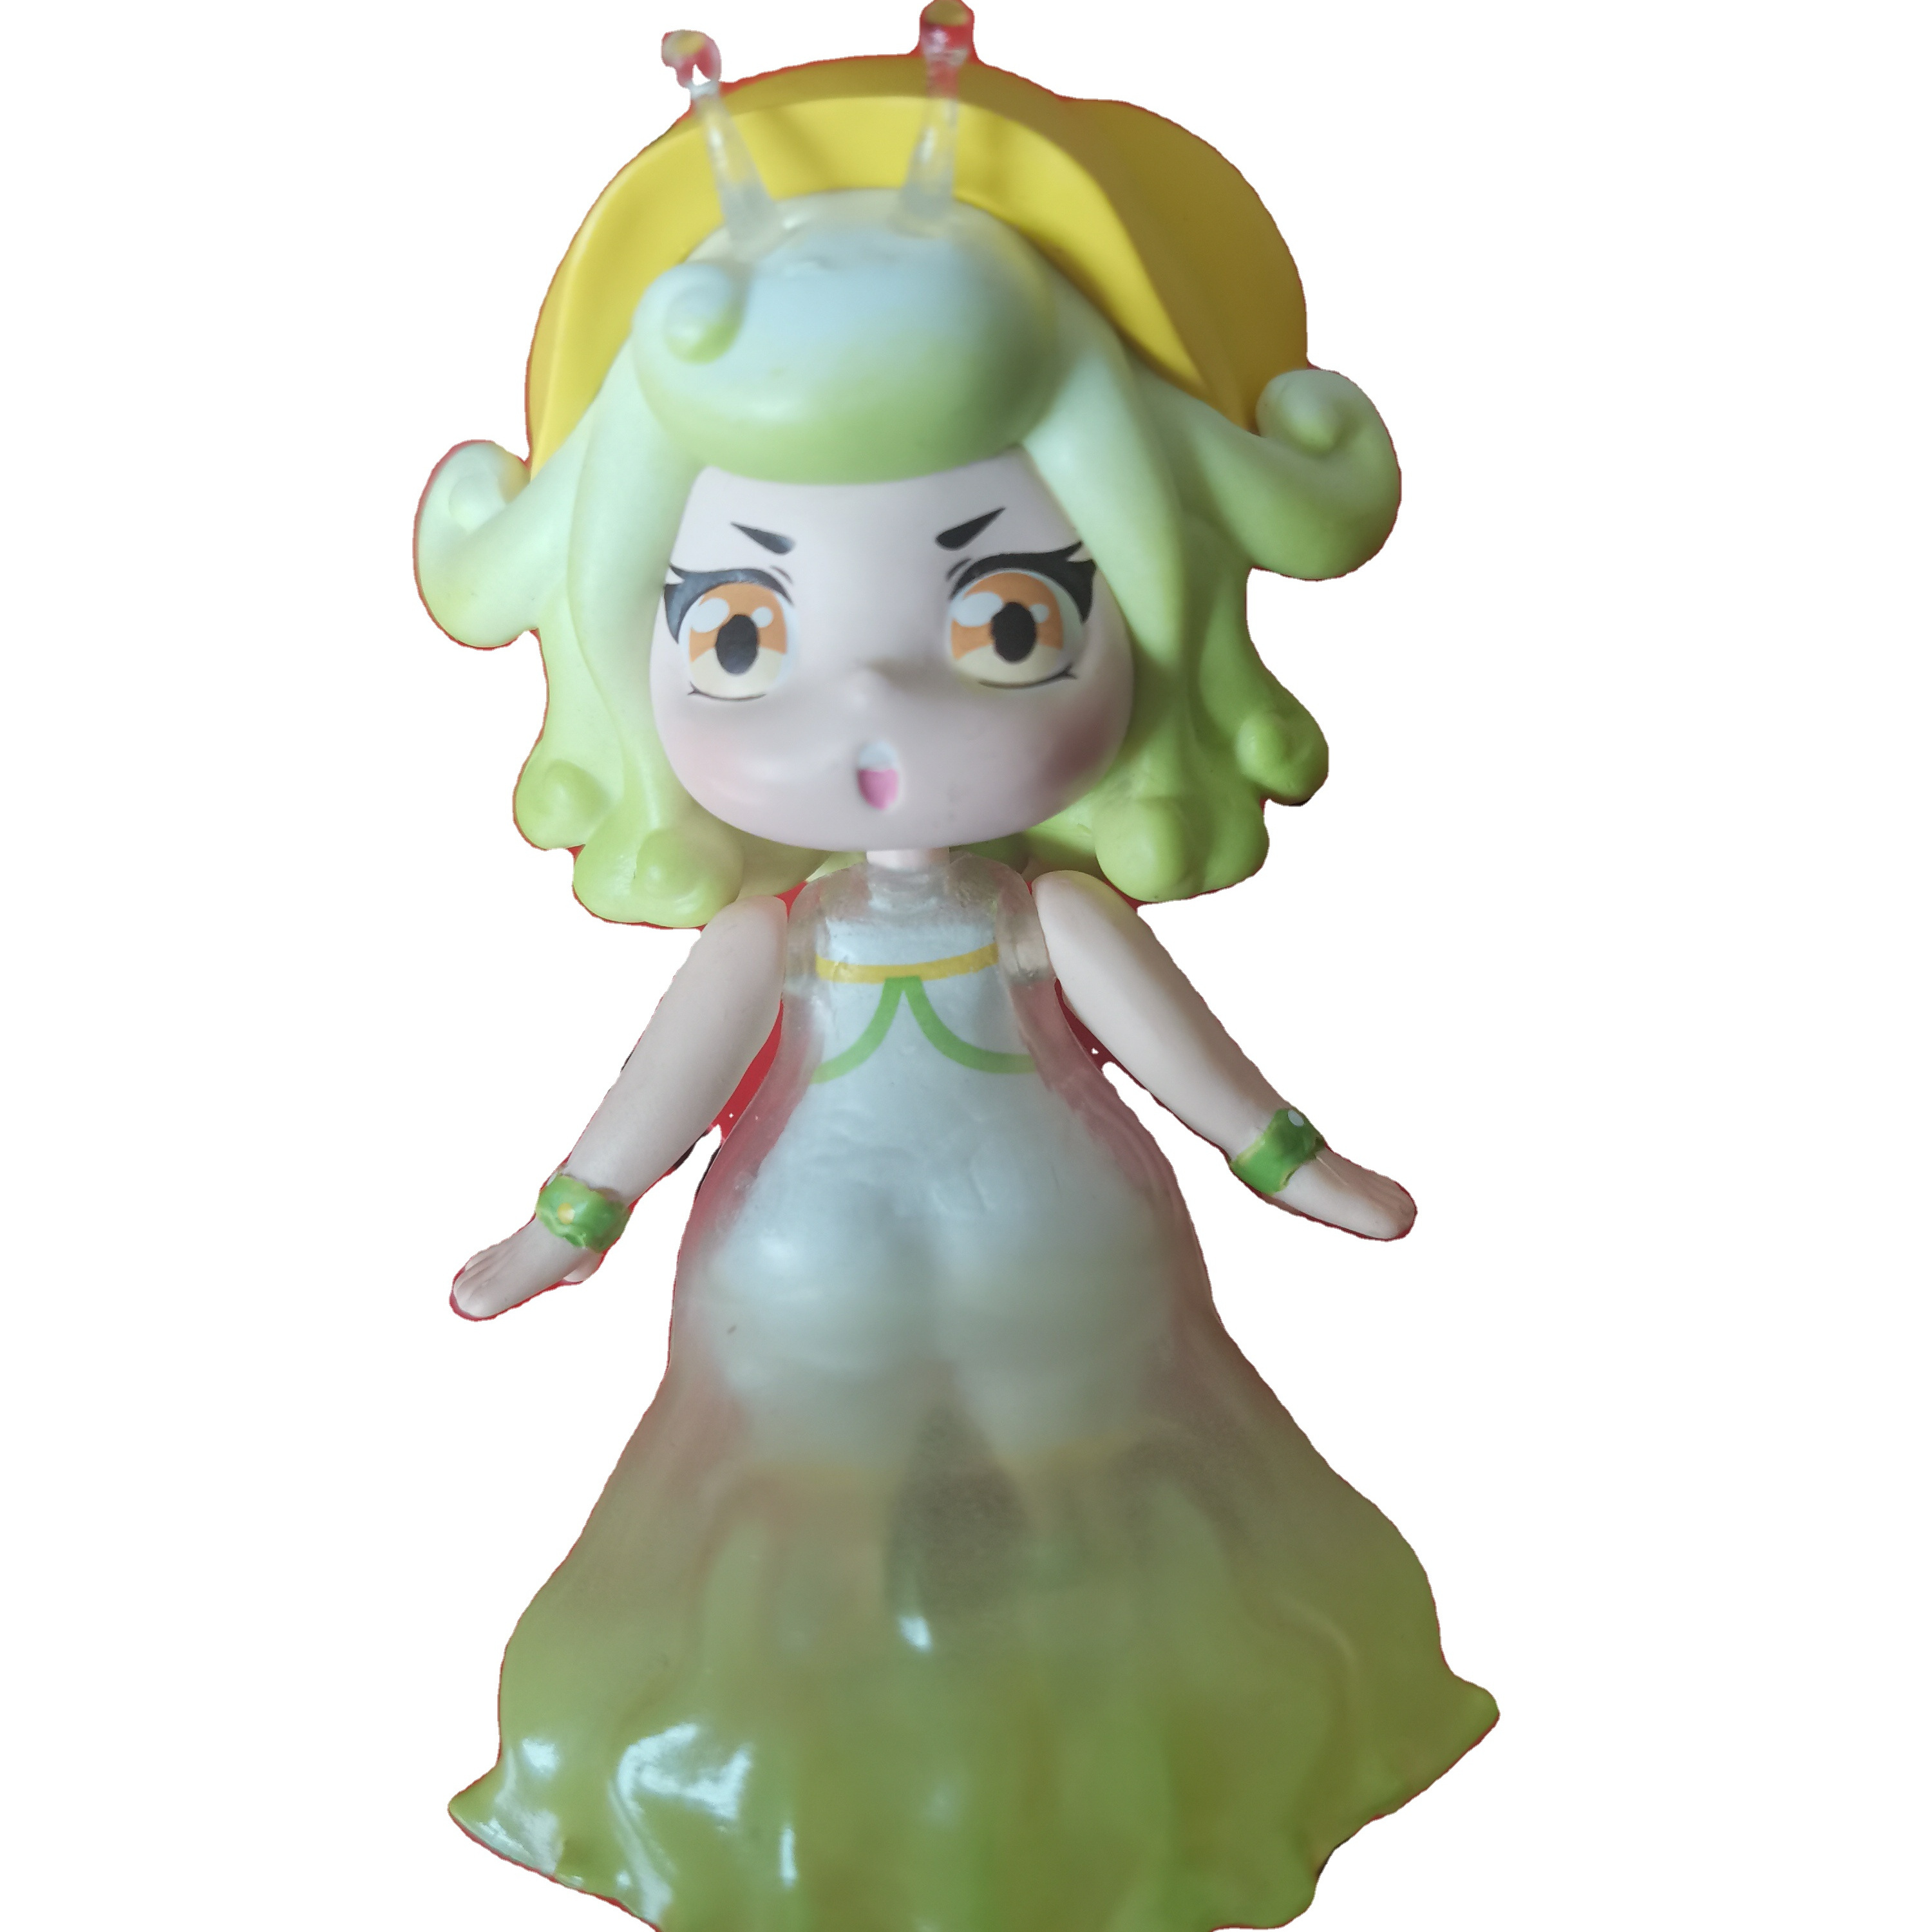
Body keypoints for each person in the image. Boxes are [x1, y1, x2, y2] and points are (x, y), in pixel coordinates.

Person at [415, 14, 1495, 1927]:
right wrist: (563, 1223)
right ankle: (843, 1812)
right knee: (804, 1547)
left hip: (1067, 1283)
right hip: (802, 1311)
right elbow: (658, 1094)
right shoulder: (775, 940)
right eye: (739, 632)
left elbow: (1192, 1063)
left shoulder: (1041, 919)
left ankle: (1081, 1793)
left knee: (1096, 1525)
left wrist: (1294, 1164)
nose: (873, 708)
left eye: (1005, 616)